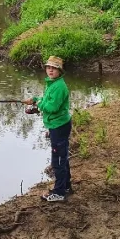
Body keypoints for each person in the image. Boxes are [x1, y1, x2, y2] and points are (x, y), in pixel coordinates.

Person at [23, 56, 72, 202]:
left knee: (58, 160)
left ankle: (59, 193)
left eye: (54, 68)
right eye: (48, 67)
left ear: (59, 71)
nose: (50, 70)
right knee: (62, 157)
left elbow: (52, 107)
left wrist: (39, 105)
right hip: (57, 125)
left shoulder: (59, 87)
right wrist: (36, 100)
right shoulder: (52, 84)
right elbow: (47, 101)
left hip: (59, 126)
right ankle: (66, 186)